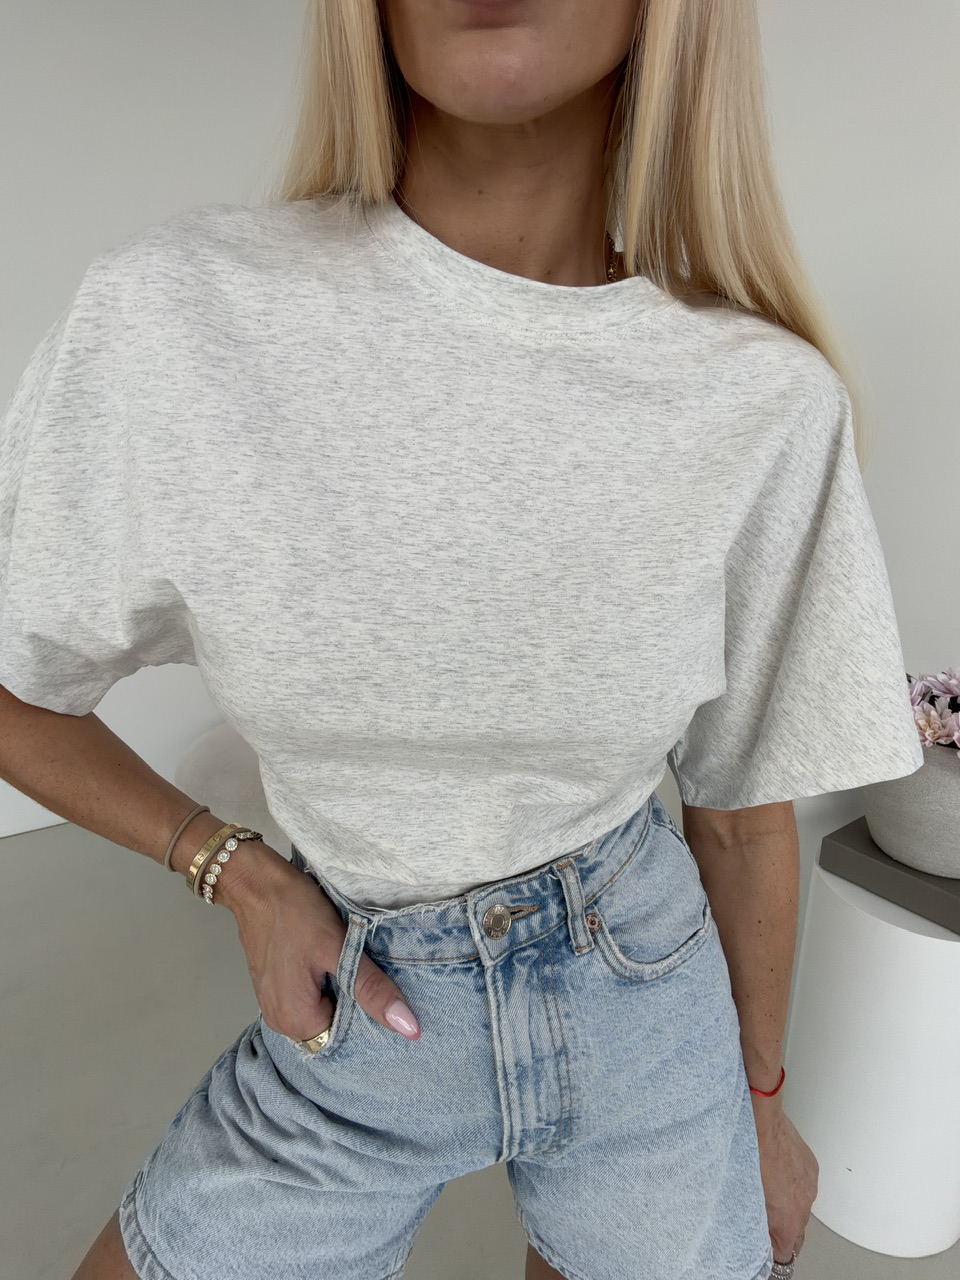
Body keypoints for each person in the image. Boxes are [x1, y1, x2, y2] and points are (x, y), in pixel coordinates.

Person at [0, 2, 923, 1278]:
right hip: (354, 1013)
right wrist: (233, 869)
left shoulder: (760, 399)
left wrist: (760, 1103)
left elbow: (740, 811)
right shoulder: (180, 319)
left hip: (643, 1001)